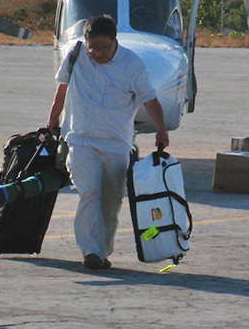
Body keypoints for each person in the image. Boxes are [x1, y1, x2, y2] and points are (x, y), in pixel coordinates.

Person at [46, 14, 169, 270]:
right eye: (93, 48)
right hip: (80, 140)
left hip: (116, 144)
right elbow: (62, 87)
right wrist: (53, 117)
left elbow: (150, 99)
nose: (97, 54)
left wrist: (161, 130)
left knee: (111, 201)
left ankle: (102, 251)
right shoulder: (76, 54)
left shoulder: (133, 65)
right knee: (89, 193)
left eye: (103, 48)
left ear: (115, 42)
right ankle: (91, 251)